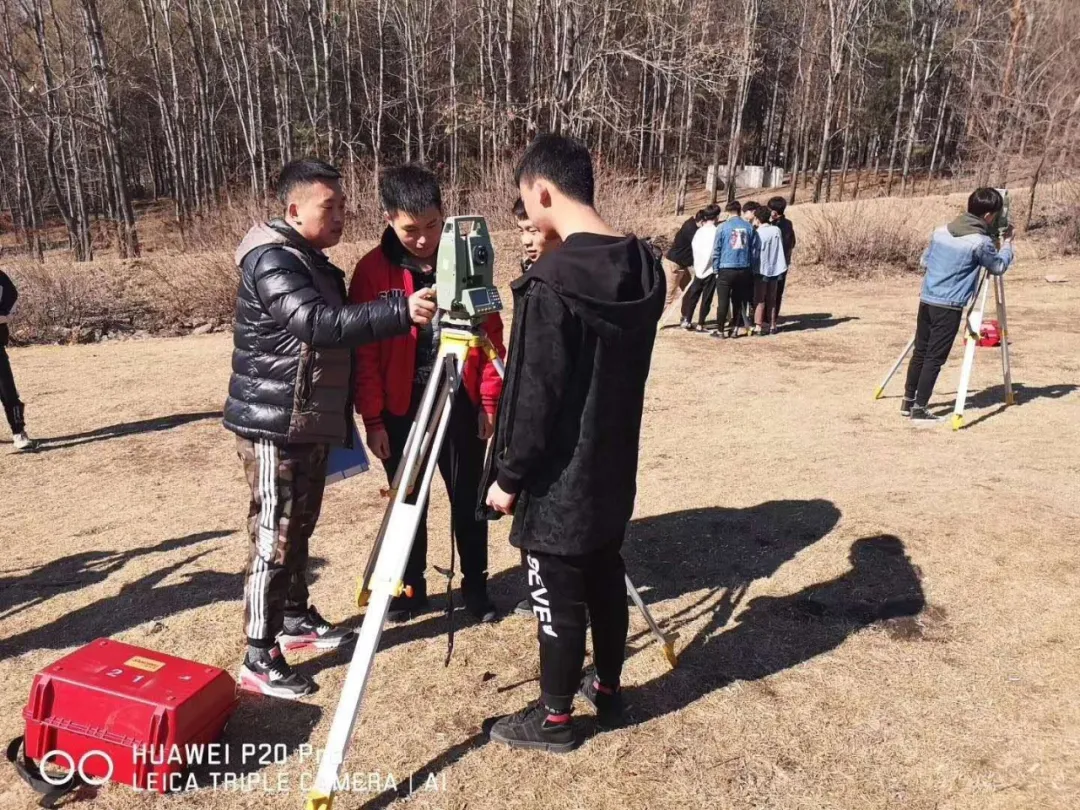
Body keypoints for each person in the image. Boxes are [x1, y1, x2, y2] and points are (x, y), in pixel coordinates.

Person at [225, 158, 436, 699]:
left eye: (344, 206)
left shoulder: (312, 260)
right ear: (294, 209)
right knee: (274, 532)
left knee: (302, 524)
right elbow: (317, 325)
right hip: (276, 421)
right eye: (329, 207)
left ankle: (294, 618)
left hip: (309, 418)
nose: (341, 215)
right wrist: (398, 309)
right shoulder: (273, 259)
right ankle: (257, 651)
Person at [482, 134, 664, 751]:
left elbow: (535, 396)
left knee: (556, 591)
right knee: (605, 577)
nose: (527, 217)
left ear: (542, 192)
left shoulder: (550, 282)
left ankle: (554, 718)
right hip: (613, 466)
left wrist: (508, 477)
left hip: (562, 477)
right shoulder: (645, 265)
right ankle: (609, 687)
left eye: (524, 203)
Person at [350, 164, 505, 623]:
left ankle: (476, 586)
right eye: (410, 229)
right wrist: (374, 420)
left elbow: (491, 332)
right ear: (389, 219)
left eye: (433, 226)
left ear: (444, 214)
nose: (423, 239)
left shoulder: (470, 258)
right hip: (403, 410)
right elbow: (366, 356)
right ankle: (409, 586)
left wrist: (489, 402)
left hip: (459, 405)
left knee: (467, 500)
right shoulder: (372, 272)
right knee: (407, 500)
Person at [902, 187, 1014, 423]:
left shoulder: (941, 231)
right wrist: (1007, 247)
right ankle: (920, 409)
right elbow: (997, 267)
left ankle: (908, 401)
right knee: (935, 357)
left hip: (927, 299)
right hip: (949, 305)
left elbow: (925, 260)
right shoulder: (980, 242)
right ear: (988, 216)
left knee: (921, 351)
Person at [0, 267, 35, 451]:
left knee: (8, 391)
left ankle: (18, 431)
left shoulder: (3, 282)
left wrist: (3, 317)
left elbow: (9, 309)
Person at [711, 200, 754, 338]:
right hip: (743, 268)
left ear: (727, 212)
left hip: (726, 267)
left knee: (723, 301)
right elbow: (753, 250)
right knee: (738, 300)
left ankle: (720, 330)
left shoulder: (723, 227)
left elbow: (716, 250)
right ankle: (735, 329)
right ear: (740, 211)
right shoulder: (749, 227)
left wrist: (715, 269)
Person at [679, 206, 721, 330]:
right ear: (717, 217)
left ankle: (688, 319)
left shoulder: (699, 231)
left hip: (698, 268)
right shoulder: (717, 231)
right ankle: (701, 323)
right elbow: (716, 250)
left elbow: (695, 248)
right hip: (711, 269)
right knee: (706, 298)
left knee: (694, 296)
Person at [750, 206, 788, 335]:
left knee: (759, 298)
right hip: (776, 268)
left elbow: (754, 252)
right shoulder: (776, 230)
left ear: (757, 218)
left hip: (761, 268)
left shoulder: (758, 232)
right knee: (772, 297)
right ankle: (772, 324)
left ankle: (758, 325)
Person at [660, 209, 699, 318]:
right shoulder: (690, 229)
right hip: (673, 265)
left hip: (683, 266)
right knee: (668, 296)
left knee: (688, 291)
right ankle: (653, 319)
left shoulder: (692, 225)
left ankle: (686, 318)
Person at [514, 196, 562, 276]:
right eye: (521, 231)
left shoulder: (575, 270)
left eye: (533, 231)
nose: (525, 241)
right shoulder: (528, 266)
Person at [767, 196, 797, 322]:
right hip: (784, 263)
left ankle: (766, 317)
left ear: (773, 211)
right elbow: (792, 242)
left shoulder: (772, 225)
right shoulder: (788, 224)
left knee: (768, 290)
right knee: (778, 291)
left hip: (772, 263)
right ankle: (774, 316)